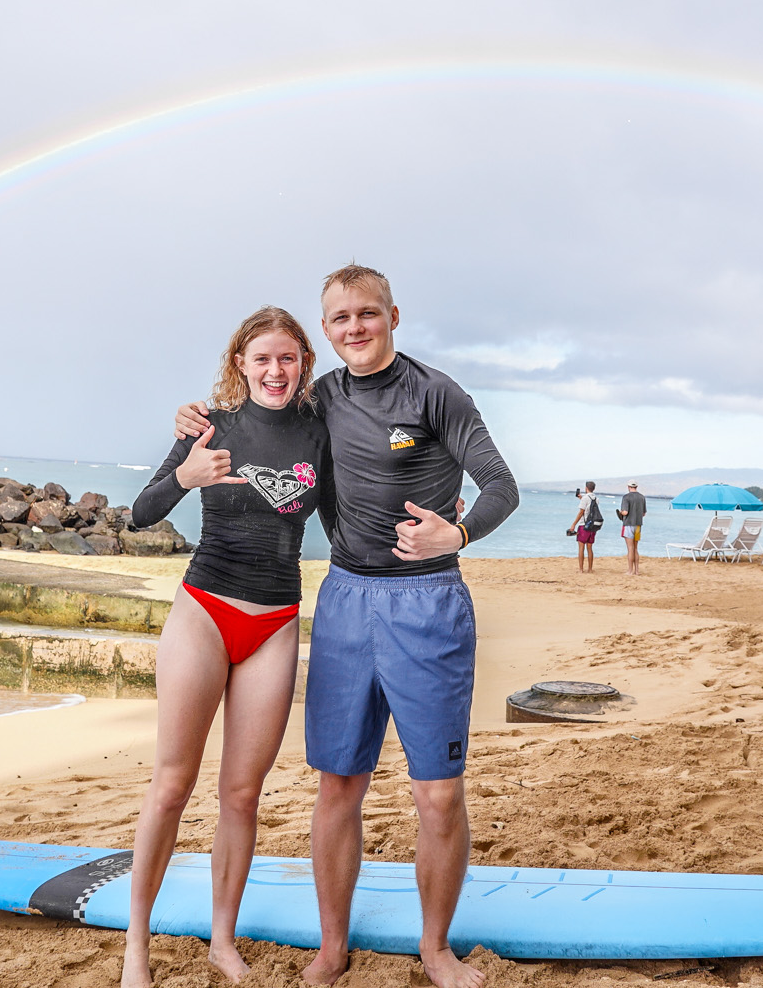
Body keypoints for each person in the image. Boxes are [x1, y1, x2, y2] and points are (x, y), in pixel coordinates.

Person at [176, 264, 518, 988]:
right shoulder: (318, 399)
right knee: (338, 785)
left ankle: (435, 950)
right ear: (325, 331)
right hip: (344, 602)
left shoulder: (435, 392)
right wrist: (193, 424)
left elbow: (502, 485)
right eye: (340, 319)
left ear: (393, 314)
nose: (355, 327)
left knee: (437, 793)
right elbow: (253, 421)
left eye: (368, 313)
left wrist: (456, 535)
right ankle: (333, 948)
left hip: (428, 603)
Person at [120, 307, 336, 988]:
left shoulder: (317, 432)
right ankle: (136, 945)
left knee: (241, 793)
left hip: (275, 622)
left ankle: (221, 937)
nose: (276, 370)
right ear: (240, 362)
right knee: (171, 785)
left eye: (288, 358)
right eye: (262, 358)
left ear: (303, 364)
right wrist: (188, 474)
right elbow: (141, 511)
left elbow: (351, 512)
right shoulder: (210, 425)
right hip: (204, 612)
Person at [568, 481, 600, 572]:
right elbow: (590, 508)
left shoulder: (585, 498)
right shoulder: (596, 498)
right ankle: (590, 569)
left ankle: (581, 569)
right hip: (593, 526)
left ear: (586, 488)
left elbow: (581, 512)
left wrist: (573, 524)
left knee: (581, 547)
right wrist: (581, 498)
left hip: (584, 525)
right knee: (590, 548)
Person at [618, 481, 647, 576]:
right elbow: (643, 513)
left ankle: (630, 571)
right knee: (635, 548)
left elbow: (625, 512)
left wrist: (621, 512)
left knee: (630, 548)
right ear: (637, 486)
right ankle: (637, 570)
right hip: (638, 525)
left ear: (628, 487)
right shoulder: (642, 497)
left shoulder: (626, 497)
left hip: (628, 524)